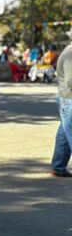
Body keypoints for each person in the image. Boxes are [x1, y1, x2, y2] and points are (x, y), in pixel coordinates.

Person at [51, 42, 72, 177]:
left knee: (64, 134)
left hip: (66, 99)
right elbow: (71, 82)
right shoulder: (70, 54)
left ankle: (58, 166)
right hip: (69, 99)